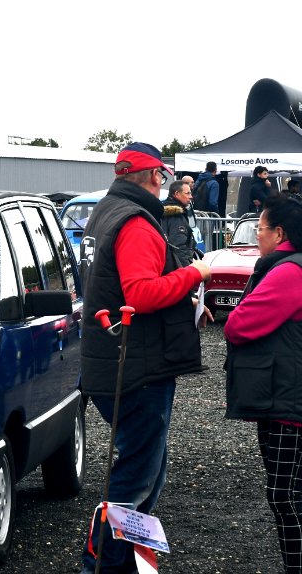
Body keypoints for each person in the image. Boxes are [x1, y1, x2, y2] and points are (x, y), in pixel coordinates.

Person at [78, 142, 211, 574]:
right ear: (156, 176)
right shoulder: (135, 222)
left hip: (113, 360)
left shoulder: (105, 212)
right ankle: (101, 566)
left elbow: (117, 286)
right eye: (165, 176)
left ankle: (128, 564)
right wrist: (194, 274)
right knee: (135, 479)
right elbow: (139, 293)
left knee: (147, 472)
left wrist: (185, 300)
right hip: (136, 367)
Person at [224, 193, 302, 574]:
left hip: (292, 398)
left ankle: (299, 569)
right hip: (287, 392)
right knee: (285, 492)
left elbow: (238, 326)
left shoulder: (289, 272)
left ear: (280, 233)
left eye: (260, 228)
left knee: (284, 494)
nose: (256, 235)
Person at [161, 179, 197, 266]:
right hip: (177, 266)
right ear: (177, 194)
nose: (191, 196)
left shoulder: (166, 211)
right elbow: (179, 246)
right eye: (187, 193)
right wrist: (187, 268)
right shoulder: (176, 215)